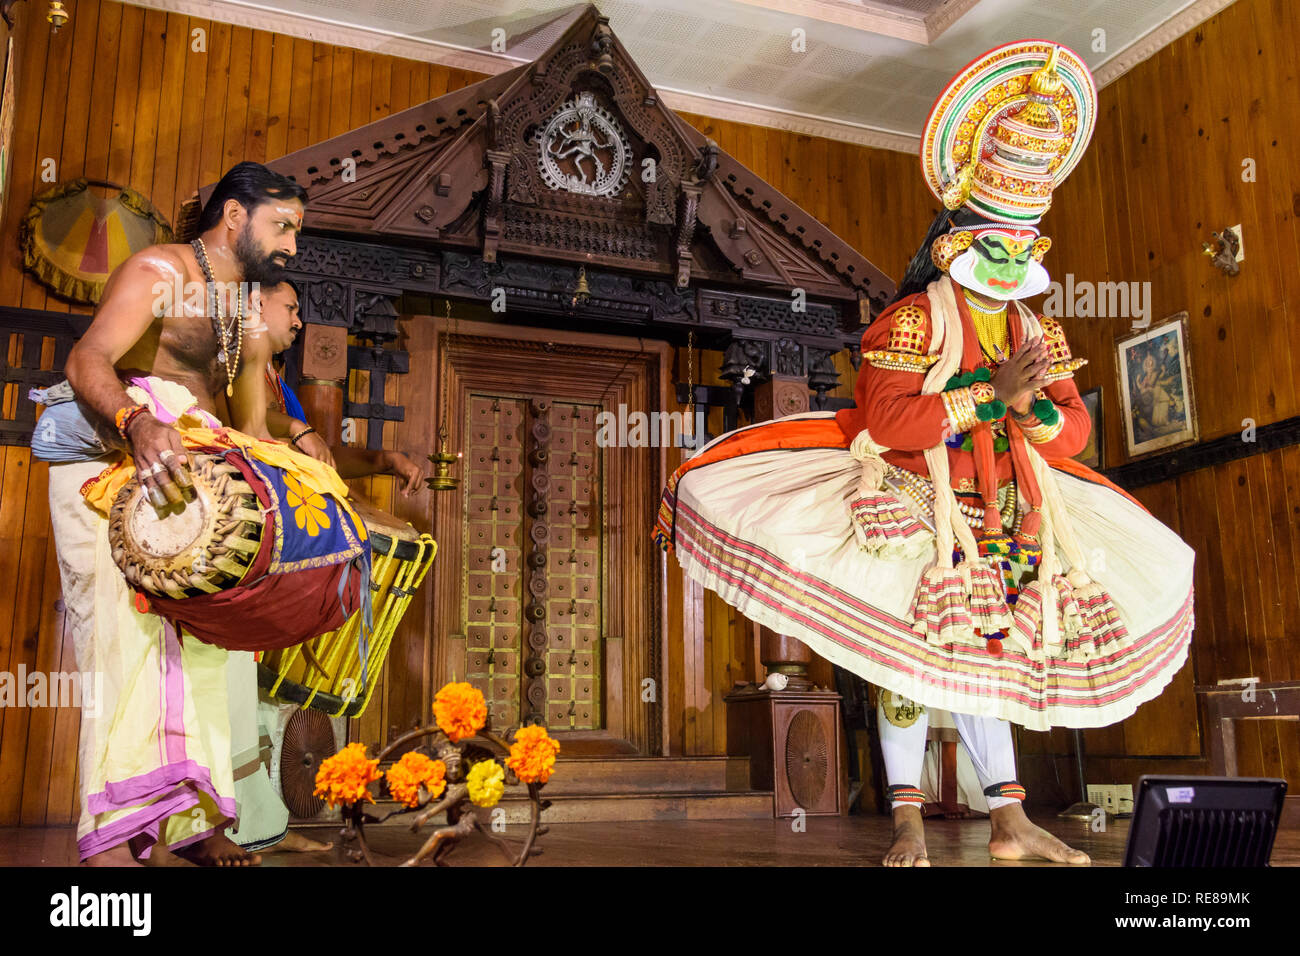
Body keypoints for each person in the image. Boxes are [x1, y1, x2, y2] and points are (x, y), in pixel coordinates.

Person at [653, 42, 1194, 866]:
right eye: (999, 246)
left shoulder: (1038, 330)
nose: (1015, 263)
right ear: (954, 245)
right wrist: (986, 396)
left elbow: (1075, 434)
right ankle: (907, 818)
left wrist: (1029, 407)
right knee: (908, 669)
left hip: (1016, 511)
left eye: (1026, 249)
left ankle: (1009, 820)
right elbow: (891, 419)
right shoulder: (910, 321)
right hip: (914, 503)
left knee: (992, 660)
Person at [44, 161, 307, 866]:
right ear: (233, 217)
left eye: (296, 231)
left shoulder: (246, 311)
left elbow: (250, 429)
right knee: (123, 648)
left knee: (208, 643)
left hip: (186, 482)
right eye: (281, 225)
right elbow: (87, 358)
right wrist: (137, 420)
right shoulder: (159, 270)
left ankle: (189, 825)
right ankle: (112, 835)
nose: (290, 245)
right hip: (112, 464)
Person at [223, 279, 424, 855]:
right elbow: (246, 435)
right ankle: (240, 826)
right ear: (255, 307)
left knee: (258, 690)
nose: (300, 320)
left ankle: (259, 826)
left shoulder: (273, 380)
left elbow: (319, 457)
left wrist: (381, 459)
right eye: (290, 308)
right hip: (250, 547)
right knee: (239, 687)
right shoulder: (236, 368)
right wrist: (297, 430)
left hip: (277, 551)